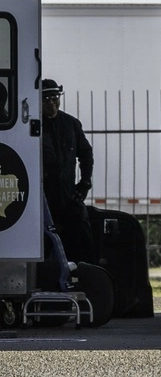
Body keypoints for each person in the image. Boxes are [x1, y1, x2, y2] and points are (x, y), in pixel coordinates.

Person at [41, 79, 96, 265]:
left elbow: (86, 153)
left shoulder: (71, 124)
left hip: (69, 195)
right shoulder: (34, 126)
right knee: (46, 242)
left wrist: (85, 182)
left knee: (82, 237)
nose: (51, 102)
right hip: (44, 198)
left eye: (55, 97)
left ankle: (87, 275)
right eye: (46, 98)